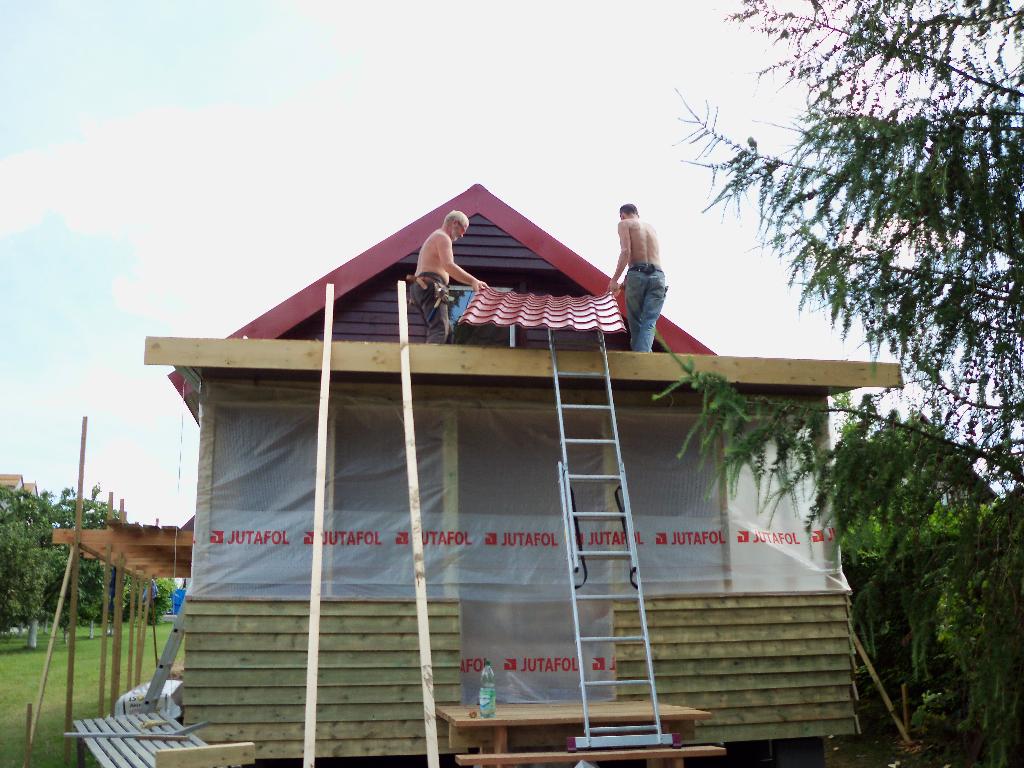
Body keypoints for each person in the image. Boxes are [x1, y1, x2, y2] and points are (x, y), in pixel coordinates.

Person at [410, 211, 489, 343]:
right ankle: (432, 363)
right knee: (440, 330)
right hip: (431, 285)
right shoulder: (442, 237)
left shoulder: (436, 236)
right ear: (455, 223)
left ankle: (441, 360)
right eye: (463, 229)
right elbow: (448, 266)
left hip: (423, 286)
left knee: (447, 334)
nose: (462, 235)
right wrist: (473, 281)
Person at [606, 203, 667, 352]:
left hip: (637, 274)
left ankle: (641, 359)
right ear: (637, 213)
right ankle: (646, 356)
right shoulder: (651, 228)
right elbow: (647, 261)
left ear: (622, 214)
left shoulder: (624, 224)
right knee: (649, 322)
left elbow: (626, 252)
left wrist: (614, 280)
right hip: (658, 276)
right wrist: (623, 283)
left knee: (635, 322)